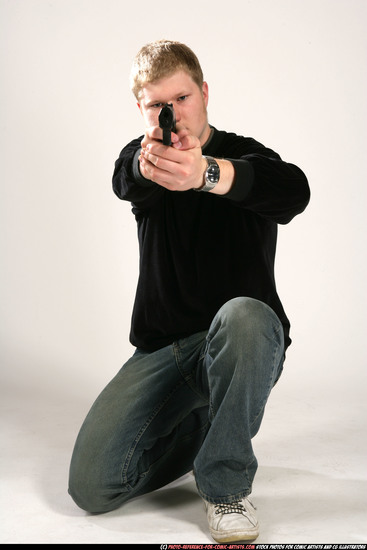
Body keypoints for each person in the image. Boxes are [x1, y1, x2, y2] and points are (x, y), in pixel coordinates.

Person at [68, 39, 310, 543]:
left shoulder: (246, 154)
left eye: (181, 98)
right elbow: (126, 178)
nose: (171, 113)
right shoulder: (144, 161)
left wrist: (207, 174)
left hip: (243, 344)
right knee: (93, 488)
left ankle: (224, 487)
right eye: (157, 104)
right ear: (141, 109)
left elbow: (293, 191)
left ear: (203, 92)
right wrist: (150, 163)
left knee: (245, 315)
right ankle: (213, 429)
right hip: (163, 351)